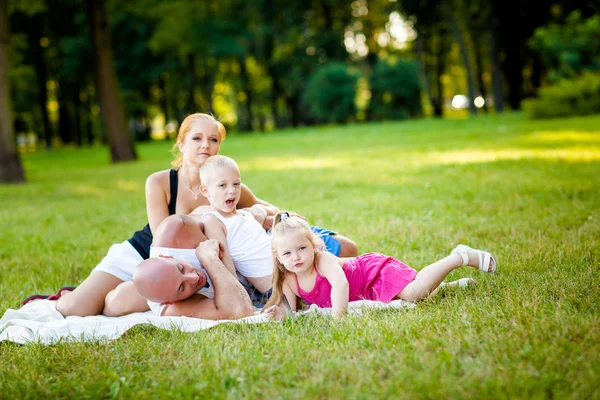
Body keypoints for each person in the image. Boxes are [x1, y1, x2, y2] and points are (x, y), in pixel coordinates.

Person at [54, 113, 357, 317]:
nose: (206, 146)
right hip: (149, 254)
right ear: (181, 143)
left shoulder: (225, 183)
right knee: (75, 308)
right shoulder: (160, 182)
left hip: (193, 267)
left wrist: (251, 212)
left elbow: (272, 211)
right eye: (197, 139)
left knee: (117, 302)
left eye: (213, 140)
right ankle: (65, 294)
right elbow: (164, 241)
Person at [263, 212, 497, 319]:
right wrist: (278, 312)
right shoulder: (288, 280)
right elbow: (291, 314)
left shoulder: (322, 261)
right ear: (278, 257)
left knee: (414, 293)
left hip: (371, 274)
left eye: (302, 248)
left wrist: (338, 319)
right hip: (365, 293)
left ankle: (459, 257)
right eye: (288, 253)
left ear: (313, 246)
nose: (296, 257)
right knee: (413, 297)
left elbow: (341, 285)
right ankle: (448, 287)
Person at [199, 155, 273, 295]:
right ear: (205, 191)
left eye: (236, 184)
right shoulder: (214, 221)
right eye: (222, 185)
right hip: (274, 284)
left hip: (290, 266)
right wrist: (241, 297)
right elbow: (226, 262)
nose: (232, 190)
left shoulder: (245, 215)